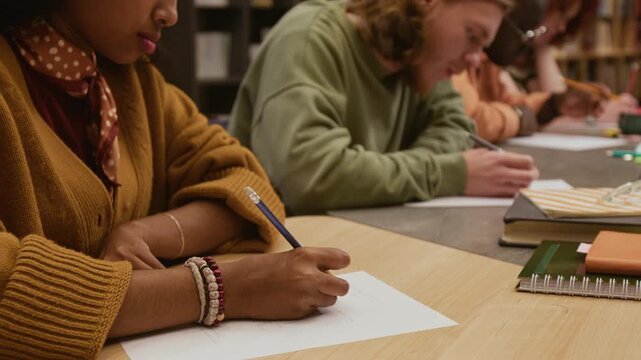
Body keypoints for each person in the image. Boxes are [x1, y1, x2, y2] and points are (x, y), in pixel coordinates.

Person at [0, 0, 350, 357]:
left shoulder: (135, 83)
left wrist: (144, 232)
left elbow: (247, 184)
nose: (171, 14)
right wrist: (221, 287)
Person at [228, 0, 539, 215]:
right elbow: (311, 178)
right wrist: (449, 173)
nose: (474, 59)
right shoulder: (310, 39)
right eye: (473, 36)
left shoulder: (419, 57)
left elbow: (457, 126)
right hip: (284, 248)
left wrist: (387, 173)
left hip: (360, 231)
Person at [452, 0, 638, 143]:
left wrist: (554, 104)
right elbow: (470, 119)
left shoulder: (489, 56)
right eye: (561, 13)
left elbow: (508, 102)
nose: (562, 27)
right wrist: (520, 118)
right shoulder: (459, 52)